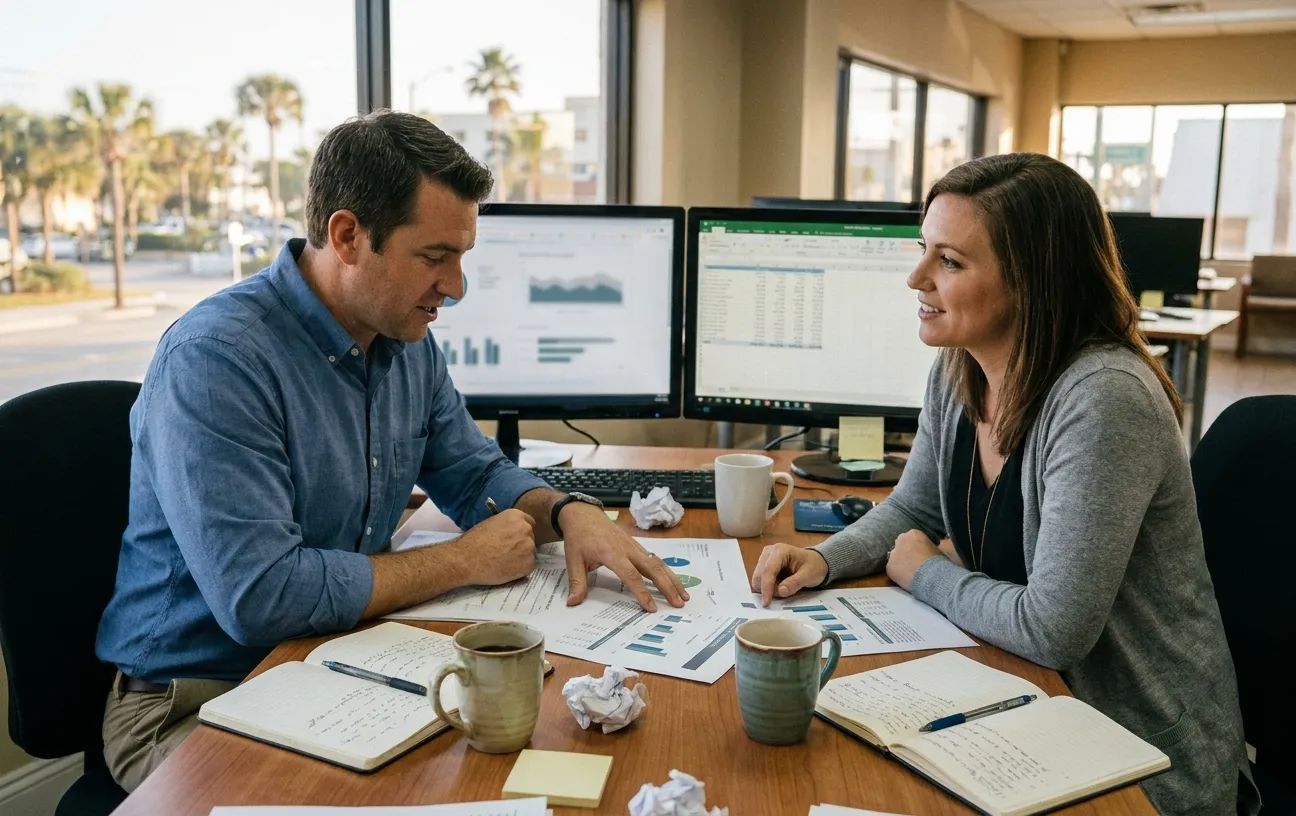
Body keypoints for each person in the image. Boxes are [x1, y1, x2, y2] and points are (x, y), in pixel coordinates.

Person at [95, 110, 688, 792]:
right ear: (347, 236)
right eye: (435, 258)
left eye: (462, 257)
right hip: (195, 697)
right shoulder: (218, 359)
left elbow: (471, 470)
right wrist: (462, 560)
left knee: (526, 766)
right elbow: (262, 596)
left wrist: (568, 511)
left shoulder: (405, 342)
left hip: (334, 663)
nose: (456, 287)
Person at [751, 153, 1259, 815]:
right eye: (923, 250)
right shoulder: (960, 368)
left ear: (1032, 283)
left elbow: (1053, 631)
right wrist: (824, 559)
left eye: (949, 262)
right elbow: (915, 507)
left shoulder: (1104, 399)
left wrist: (925, 572)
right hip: (1028, 707)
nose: (916, 278)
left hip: (1139, 755)